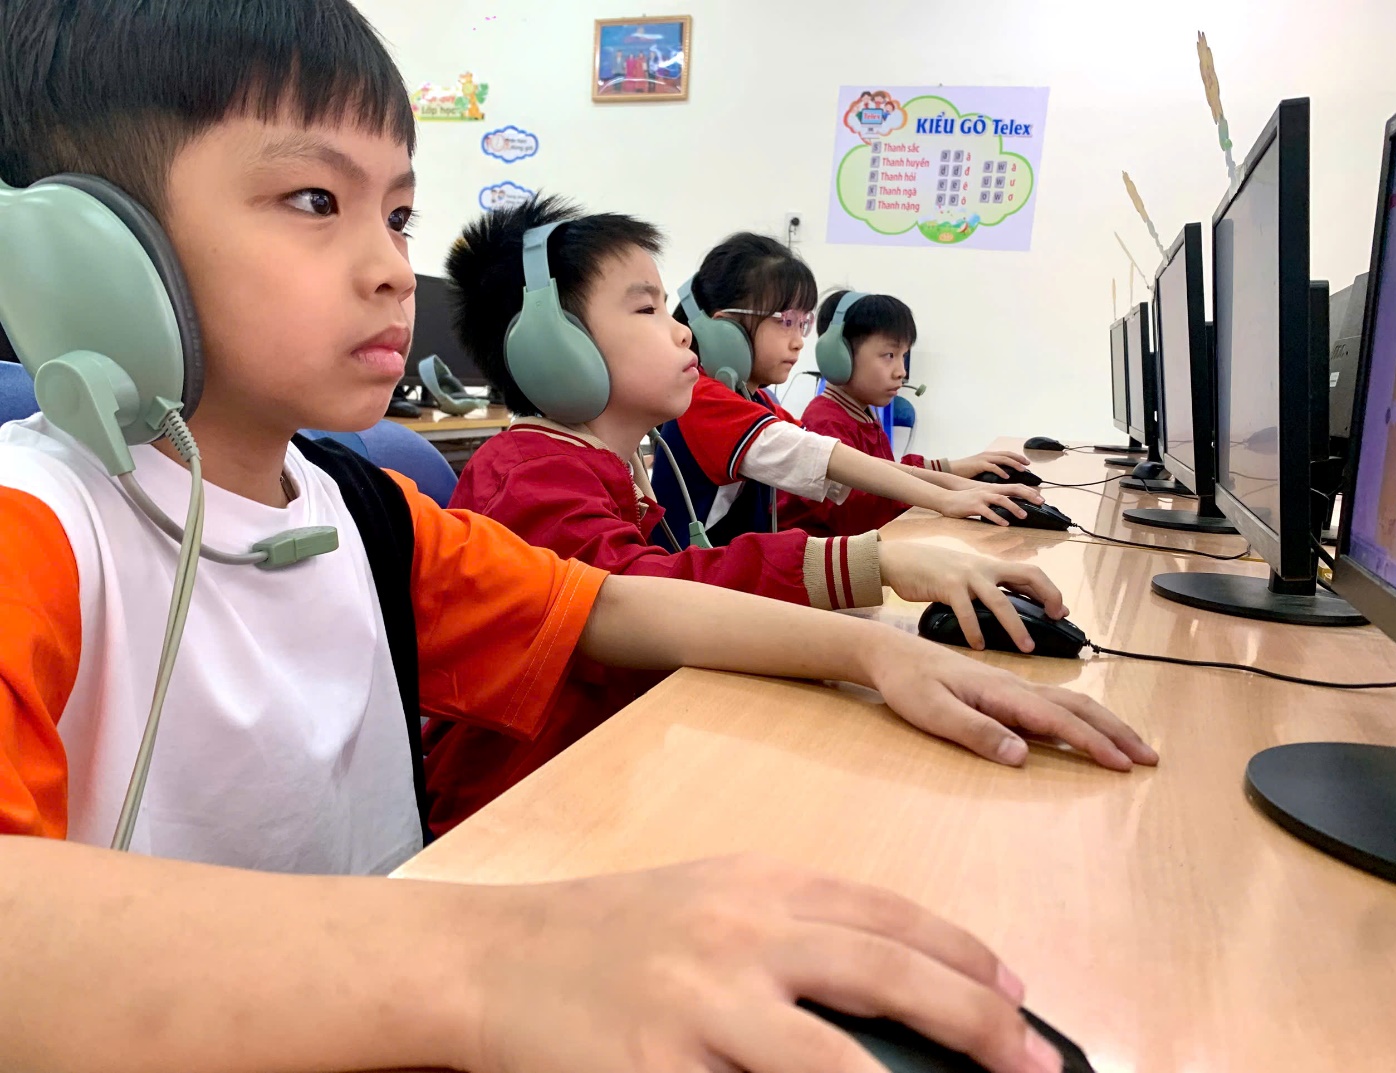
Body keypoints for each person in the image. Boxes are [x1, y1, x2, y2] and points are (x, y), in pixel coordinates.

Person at [0, 3, 1154, 1069]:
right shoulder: (35, 525)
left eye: (399, 213)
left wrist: (875, 648)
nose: (391, 266)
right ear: (83, 251)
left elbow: (600, 602)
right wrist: (504, 953)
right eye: (316, 201)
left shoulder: (357, 508)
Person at [436, 195, 1117, 825]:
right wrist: (876, 567)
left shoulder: (608, 464)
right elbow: (637, 598)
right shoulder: (524, 473)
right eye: (648, 311)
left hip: (607, 773)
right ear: (553, 347)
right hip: (520, 809)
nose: (682, 335)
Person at [652, 233, 1041, 548]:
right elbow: (824, 458)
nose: (798, 341)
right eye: (786, 321)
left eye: (803, 324)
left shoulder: (756, 400)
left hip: (730, 589)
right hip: (689, 596)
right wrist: (945, 496)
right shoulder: (701, 398)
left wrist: (957, 484)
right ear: (723, 327)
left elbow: (847, 463)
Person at [781, 289, 1028, 536]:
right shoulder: (826, 422)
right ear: (838, 356)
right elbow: (857, 516)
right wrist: (943, 495)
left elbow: (886, 473)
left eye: (903, 356)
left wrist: (955, 470)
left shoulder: (862, 413)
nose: (901, 372)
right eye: (889, 355)